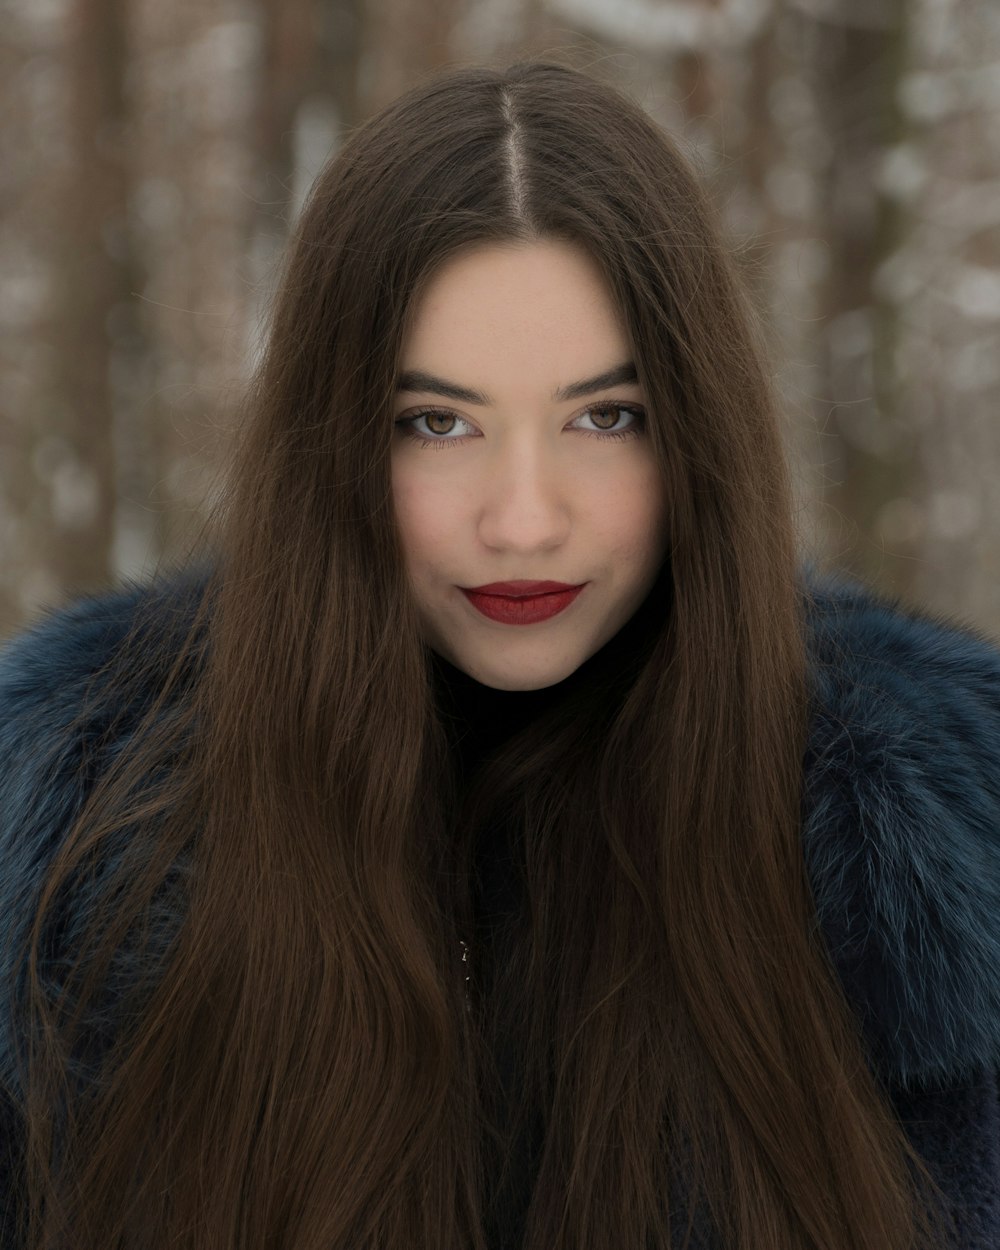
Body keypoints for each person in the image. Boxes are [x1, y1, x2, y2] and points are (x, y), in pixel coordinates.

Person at [0, 59, 997, 1250]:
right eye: (438, 422)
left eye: (603, 417)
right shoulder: (73, 841)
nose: (523, 518)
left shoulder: (935, 847)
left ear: (697, 431)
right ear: (332, 443)